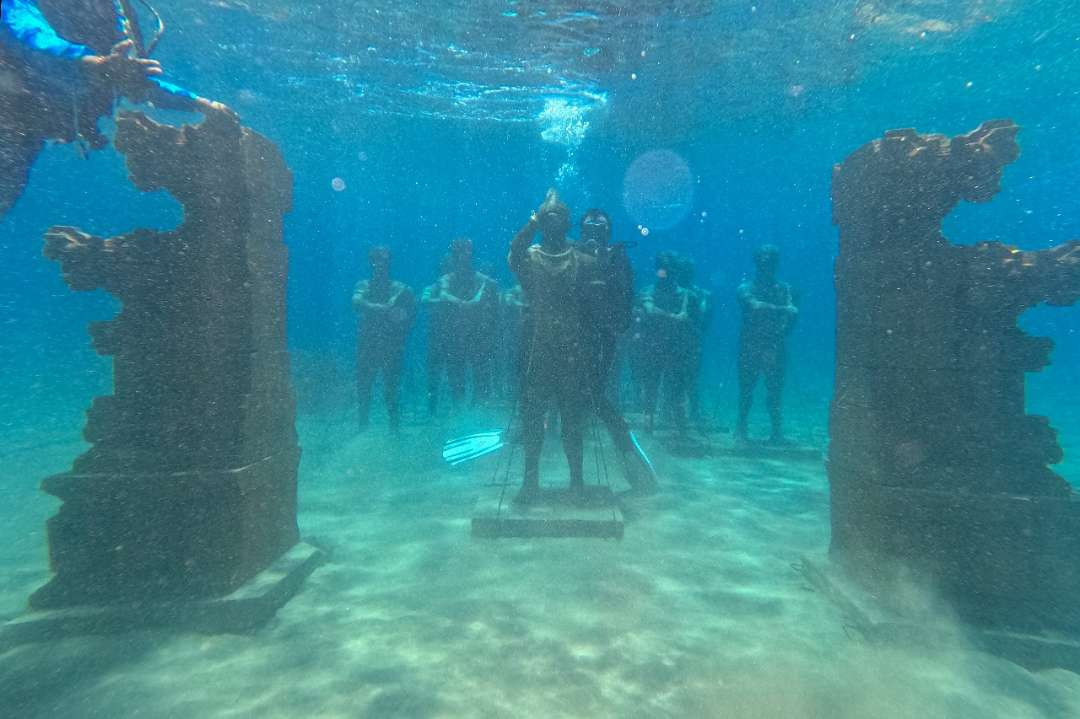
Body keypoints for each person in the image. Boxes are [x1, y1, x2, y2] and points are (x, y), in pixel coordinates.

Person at [0, 0, 228, 217]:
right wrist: (93, 64)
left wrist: (198, 104)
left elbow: (132, 78)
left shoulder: (115, 8)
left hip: (34, 122)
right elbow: (30, 34)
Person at [509, 189, 598, 504]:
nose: (552, 221)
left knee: (572, 420)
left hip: (571, 350)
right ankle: (529, 481)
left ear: (568, 222)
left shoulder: (581, 261)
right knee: (533, 418)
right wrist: (533, 218)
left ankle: (577, 482)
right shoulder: (531, 258)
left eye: (557, 216)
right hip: (537, 347)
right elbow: (514, 251)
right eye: (546, 217)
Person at [578, 209, 657, 490]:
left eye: (600, 228)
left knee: (593, 393)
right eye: (589, 227)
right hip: (570, 335)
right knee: (581, 394)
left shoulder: (617, 257)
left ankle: (623, 442)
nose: (594, 232)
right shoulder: (570, 253)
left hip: (602, 337)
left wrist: (617, 328)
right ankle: (618, 441)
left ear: (608, 232)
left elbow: (626, 295)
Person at [736, 244, 798, 445]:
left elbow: (793, 315)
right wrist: (782, 310)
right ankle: (741, 428)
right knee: (746, 389)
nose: (767, 266)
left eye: (771, 262)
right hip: (751, 345)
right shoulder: (746, 287)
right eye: (764, 262)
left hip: (775, 344)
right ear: (757, 264)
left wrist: (781, 330)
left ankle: (776, 432)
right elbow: (754, 307)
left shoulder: (785, 288)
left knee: (775, 392)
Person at [428, 238, 498, 409]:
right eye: (459, 253)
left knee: (479, 376)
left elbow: (494, 308)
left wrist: (491, 332)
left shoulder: (484, 280)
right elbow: (443, 295)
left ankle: (478, 411)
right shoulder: (447, 279)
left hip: (477, 335)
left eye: (466, 253)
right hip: (455, 336)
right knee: (457, 376)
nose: (463, 257)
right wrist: (466, 304)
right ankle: (460, 412)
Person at [353, 246, 416, 432]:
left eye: (384, 260)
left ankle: (394, 428)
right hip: (368, 344)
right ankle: (363, 427)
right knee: (365, 386)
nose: (380, 264)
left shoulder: (401, 288)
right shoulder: (363, 285)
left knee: (391, 387)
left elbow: (412, 313)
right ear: (371, 263)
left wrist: (400, 322)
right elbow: (356, 301)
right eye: (376, 260)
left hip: (391, 345)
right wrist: (384, 309)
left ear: (389, 263)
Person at [638, 251, 693, 436]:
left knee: (677, 387)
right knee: (651, 386)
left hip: (675, 348)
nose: (666, 274)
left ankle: (681, 427)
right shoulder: (648, 291)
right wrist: (674, 317)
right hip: (653, 346)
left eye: (669, 270)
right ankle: (648, 425)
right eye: (663, 270)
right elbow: (650, 310)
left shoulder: (685, 294)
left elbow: (688, 319)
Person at [673, 254, 713, 426]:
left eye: (689, 271)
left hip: (691, 342)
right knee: (673, 380)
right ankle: (673, 414)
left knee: (692, 380)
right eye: (684, 271)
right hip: (671, 342)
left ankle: (694, 412)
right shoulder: (671, 291)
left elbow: (705, 320)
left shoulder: (701, 294)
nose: (686, 274)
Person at [421, 253, 453, 416]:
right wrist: (446, 300)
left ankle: (457, 408)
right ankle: (432, 409)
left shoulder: (457, 288)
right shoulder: (431, 288)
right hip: (435, 338)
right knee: (434, 375)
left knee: (456, 374)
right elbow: (424, 300)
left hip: (454, 337)